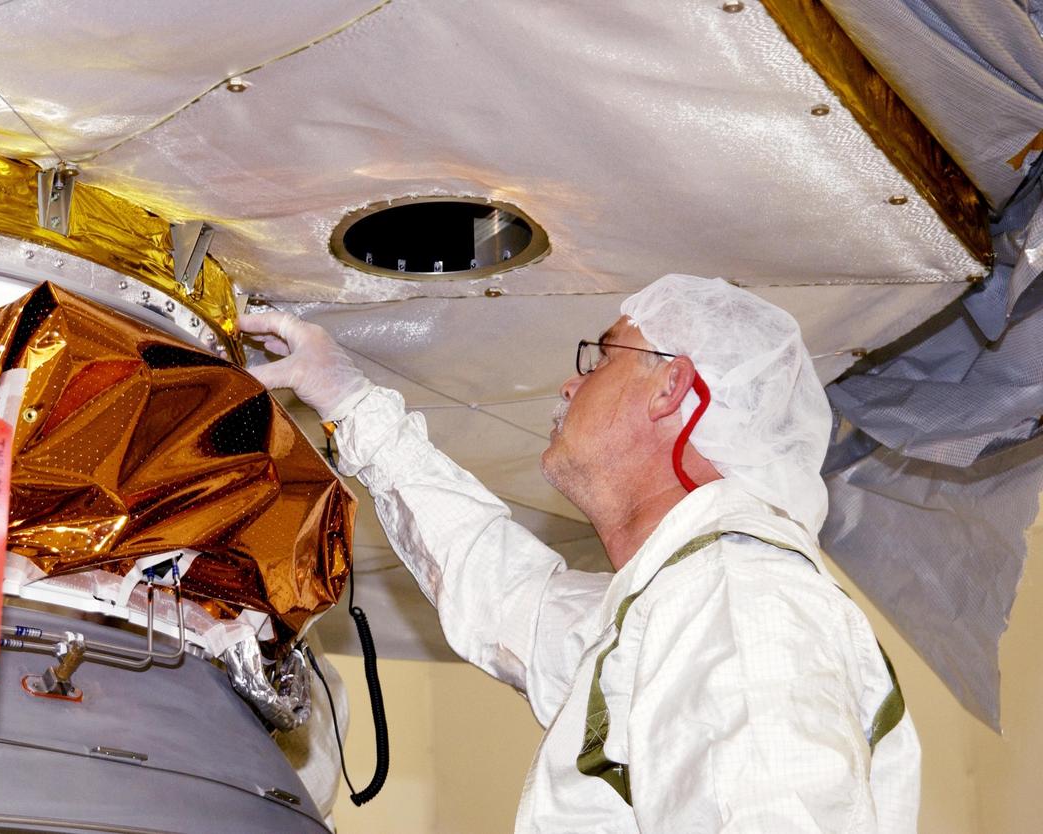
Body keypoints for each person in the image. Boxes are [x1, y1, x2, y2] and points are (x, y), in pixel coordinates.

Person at [239, 274, 920, 833]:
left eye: (601, 358)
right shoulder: (666, 610)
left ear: (671, 387)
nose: (570, 385)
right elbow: (502, 591)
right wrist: (348, 398)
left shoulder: (744, 602)